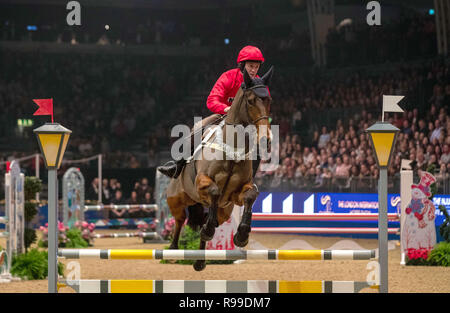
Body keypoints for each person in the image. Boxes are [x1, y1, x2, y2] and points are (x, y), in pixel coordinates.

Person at [157, 45, 267, 179]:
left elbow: (263, 106)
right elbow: (212, 100)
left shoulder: (259, 83)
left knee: (262, 142)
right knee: (198, 128)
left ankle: (250, 180)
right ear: (242, 64)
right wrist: (226, 108)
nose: (254, 70)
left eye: (256, 67)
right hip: (224, 117)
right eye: (251, 66)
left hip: (248, 121)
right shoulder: (229, 77)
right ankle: (177, 166)